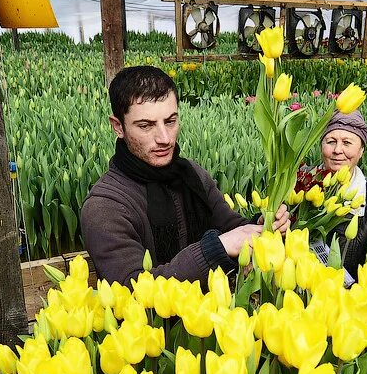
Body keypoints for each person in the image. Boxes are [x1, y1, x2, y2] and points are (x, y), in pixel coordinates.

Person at [81, 66, 289, 286]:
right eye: (146, 125)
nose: (164, 138)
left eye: (170, 121)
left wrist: (262, 225)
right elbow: (132, 288)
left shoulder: (191, 175)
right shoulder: (105, 207)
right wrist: (214, 249)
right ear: (118, 127)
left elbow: (229, 225)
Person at [318, 108, 367, 274]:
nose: (338, 150)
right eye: (331, 141)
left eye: (347, 143)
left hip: (351, 294)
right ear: (321, 146)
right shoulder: (302, 184)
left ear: (361, 150)